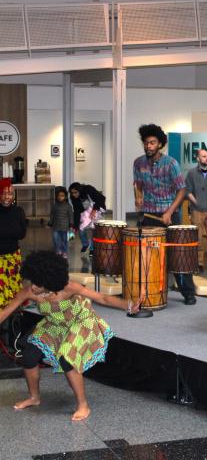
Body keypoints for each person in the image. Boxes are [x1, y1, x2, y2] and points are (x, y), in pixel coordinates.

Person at [0, 250, 137, 420]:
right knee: (28, 355)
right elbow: (4, 313)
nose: (33, 287)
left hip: (80, 322)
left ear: (50, 279)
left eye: (38, 283)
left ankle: (83, 405)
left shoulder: (68, 287)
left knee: (67, 358)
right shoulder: (29, 292)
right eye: (32, 281)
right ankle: (34, 398)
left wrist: (129, 305)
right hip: (55, 324)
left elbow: (102, 298)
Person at [133, 123, 196, 305]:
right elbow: (137, 184)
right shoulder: (138, 163)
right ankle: (150, 290)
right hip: (149, 215)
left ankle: (188, 292)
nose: (148, 146)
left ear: (160, 144)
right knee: (148, 254)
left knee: (177, 254)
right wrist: (138, 197)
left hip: (170, 215)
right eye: (146, 143)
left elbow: (182, 190)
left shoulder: (171, 164)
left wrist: (169, 211)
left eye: (152, 143)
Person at [185, 149, 207, 269]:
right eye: (204, 156)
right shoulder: (191, 173)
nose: (206, 158)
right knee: (197, 237)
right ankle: (199, 263)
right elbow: (188, 192)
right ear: (198, 158)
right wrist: (197, 203)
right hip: (197, 211)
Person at [0, 178, 26, 309]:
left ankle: (14, 311)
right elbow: (17, 232)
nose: (6, 197)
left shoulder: (18, 211)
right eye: (3, 193)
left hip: (13, 256)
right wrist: (10, 232)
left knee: (14, 284)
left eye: (10, 194)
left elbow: (22, 234)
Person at [68, 182, 106, 255]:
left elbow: (101, 198)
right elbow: (76, 212)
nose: (74, 194)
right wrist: (75, 227)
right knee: (81, 228)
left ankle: (92, 248)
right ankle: (85, 244)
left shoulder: (88, 189)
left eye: (75, 192)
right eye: (72, 193)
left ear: (79, 190)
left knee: (95, 229)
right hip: (86, 212)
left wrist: (94, 210)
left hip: (97, 209)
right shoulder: (73, 198)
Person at [48, 186, 74, 258]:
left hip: (65, 228)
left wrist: (71, 225)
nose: (60, 197)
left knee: (64, 241)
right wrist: (50, 223)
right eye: (58, 196)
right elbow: (52, 215)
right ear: (56, 197)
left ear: (65, 197)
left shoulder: (68, 206)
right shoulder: (54, 206)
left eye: (62, 196)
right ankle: (58, 250)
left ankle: (64, 251)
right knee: (56, 240)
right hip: (56, 227)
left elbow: (71, 216)